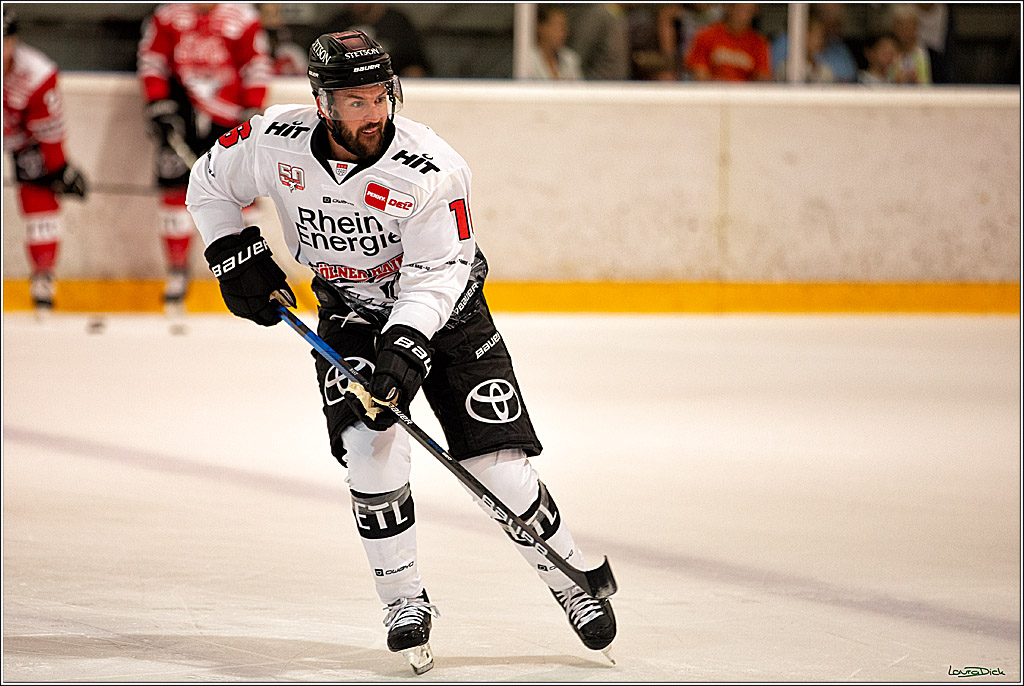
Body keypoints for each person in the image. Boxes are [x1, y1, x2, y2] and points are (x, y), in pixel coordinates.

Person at [185, 30, 616, 674]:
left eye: (380, 95)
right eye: (354, 101)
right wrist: (231, 252)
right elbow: (208, 182)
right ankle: (403, 600)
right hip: (350, 313)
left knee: (497, 467)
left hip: (448, 315)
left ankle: (567, 578)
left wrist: (408, 346)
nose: (372, 113)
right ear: (323, 101)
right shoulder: (273, 142)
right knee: (370, 443)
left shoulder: (433, 168)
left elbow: (441, 272)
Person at [137, 2, 271, 328]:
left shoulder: (244, 17)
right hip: (180, 113)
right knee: (174, 191)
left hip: (228, 118)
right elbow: (152, 60)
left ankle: (242, 273)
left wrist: (252, 107)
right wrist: (157, 103)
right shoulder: (167, 16)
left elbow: (256, 64)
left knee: (241, 196)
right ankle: (177, 273)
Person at [2, 9, 87, 315]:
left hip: (21, 139)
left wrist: (58, 170)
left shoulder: (37, 74)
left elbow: (49, 135)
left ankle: (43, 277)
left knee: (40, 206)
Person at [326, 4, 431, 77]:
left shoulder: (398, 23)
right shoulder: (337, 25)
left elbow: (416, 67)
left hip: (390, 86)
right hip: (347, 87)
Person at [771, 3, 858, 83]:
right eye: (816, 35)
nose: (820, 40)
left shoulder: (825, 70)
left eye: (821, 36)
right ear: (804, 35)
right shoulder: (787, 68)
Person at [684, 3, 771, 81]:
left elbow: (762, 80)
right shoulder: (705, 35)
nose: (744, 15)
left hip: (745, 96)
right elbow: (700, 76)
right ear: (728, 7)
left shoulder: (759, 42)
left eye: (749, 10)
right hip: (712, 94)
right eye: (741, 9)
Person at [774, 15, 836, 83]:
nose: (819, 39)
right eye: (815, 34)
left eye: (821, 35)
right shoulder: (786, 69)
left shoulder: (826, 71)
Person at [527, 6, 583, 80]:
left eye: (564, 27)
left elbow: (581, 90)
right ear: (541, 28)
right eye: (558, 26)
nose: (564, 33)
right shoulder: (526, 60)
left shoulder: (570, 59)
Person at [889, 4, 932, 84]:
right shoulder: (889, 52)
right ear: (894, 27)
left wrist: (918, 81)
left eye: (909, 26)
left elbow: (929, 85)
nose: (905, 31)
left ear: (916, 27)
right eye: (901, 26)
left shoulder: (925, 53)